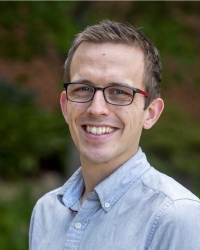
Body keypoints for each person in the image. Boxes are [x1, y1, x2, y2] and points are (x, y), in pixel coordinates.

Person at [29, 20, 200, 250]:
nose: (96, 108)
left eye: (120, 92)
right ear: (65, 106)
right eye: (83, 89)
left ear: (150, 113)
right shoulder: (46, 212)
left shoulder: (177, 217)